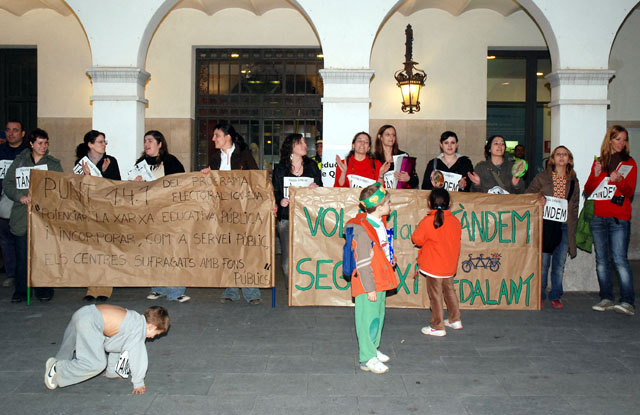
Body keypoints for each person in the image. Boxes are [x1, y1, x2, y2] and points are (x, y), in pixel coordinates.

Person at [44, 304, 169, 395]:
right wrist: (139, 382)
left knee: (69, 346)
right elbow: (138, 359)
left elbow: (116, 346)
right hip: (90, 321)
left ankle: (58, 362)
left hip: (84, 312)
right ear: (152, 326)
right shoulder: (137, 331)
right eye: (156, 334)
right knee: (96, 364)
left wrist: (113, 372)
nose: (153, 337)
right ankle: (57, 368)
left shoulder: (134, 319)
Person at [201, 123, 262, 304]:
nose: (213, 139)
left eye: (216, 135)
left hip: (244, 211)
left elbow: (256, 180)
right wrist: (205, 176)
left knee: (246, 249)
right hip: (223, 211)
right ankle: (231, 288)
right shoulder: (213, 159)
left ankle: (252, 290)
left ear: (227, 137)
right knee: (227, 250)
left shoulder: (244, 156)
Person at [4, 128, 62, 303]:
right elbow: (8, 183)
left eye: (45, 143)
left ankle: (44, 288)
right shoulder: (20, 162)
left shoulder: (52, 164)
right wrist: (19, 196)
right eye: (39, 143)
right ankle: (21, 290)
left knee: (43, 254)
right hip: (23, 216)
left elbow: (60, 187)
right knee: (22, 255)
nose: (43, 146)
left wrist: (47, 199)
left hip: (44, 216)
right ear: (31, 144)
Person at [345, 183, 397, 374]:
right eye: (389, 203)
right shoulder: (363, 231)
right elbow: (363, 263)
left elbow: (382, 248)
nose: (391, 206)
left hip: (380, 278)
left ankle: (373, 348)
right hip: (369, 283)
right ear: (380, 206)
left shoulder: (379, 223)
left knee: (378, 317)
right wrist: (370, 288)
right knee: (367, 320)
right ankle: (367, 357)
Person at [585, 125, 637, 316]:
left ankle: (627, 301)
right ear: (610, 140)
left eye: (624, 139)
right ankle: (606, 297)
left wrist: (619, 181)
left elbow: (629, 192)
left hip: (618, 218)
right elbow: (589, 189)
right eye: (618, 139)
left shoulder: (630, 163)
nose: (621, 143)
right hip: (599, 216)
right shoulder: (600, 162)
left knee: (620, 259)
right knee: (601, 260)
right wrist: (597, 175)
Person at [138, 131, 190, 303]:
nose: (147, 144)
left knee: (173, 252)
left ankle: (176, 291)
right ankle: (157, 288)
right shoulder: (140, 164)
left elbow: (181, 184)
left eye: (150, 141)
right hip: (149, 215)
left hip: (170, 214)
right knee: (155, 252)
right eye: (145, 141)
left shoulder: (171, 162)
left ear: (160, 144)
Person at [527, 146, 579, 309]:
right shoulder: (542, 177)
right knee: (543, 263)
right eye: (558, 154)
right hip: (546, 225)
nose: (561, 157)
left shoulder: (573, 180)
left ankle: (556, 295)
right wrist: (539, 198)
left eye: (565, 155)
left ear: (569, 159)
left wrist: (573, 227)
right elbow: (529, 193)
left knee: (559, 264)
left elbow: (575, 204)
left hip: (564, 226)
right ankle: (540, 295)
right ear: (552, 159)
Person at [75, 130, 121, 302]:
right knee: (91, 250)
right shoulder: (81, 163)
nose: (104, 145)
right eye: (100, 142)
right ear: (90, 144)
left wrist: (103, 173)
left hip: (107, 211)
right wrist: (87, 176)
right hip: (88, 211)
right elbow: (78, 187)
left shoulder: (111, 161)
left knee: (106, 249)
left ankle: (105, 288)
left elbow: (115, 186)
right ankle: (91, 288)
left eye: (104, 142)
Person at [272, 134, 322, 289]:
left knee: (307, 256)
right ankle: (292, 290)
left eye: (305, 142)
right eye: (300, 143)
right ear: (291, 147)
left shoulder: (312, 166)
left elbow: (321, 187)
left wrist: (317, 187)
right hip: (286, 218)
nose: (304, 145)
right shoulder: (280, 168)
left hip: (307, 218)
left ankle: (305, 289)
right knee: (287, 260)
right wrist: (281, 200)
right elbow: (275, 191)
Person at [411, 188, 462, 336]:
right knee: (449, 291)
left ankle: (437, 326)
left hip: (433, 265)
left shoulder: (427, 221)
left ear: (429, 203)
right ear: (450, 203)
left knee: (435, 295)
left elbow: (416, 239)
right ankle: (455, 319)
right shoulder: (455, 221)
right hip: (449, 265)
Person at [0, 120, 28, 288]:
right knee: (6, 240)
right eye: (8, 130)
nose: (11, 133)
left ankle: (23, 274)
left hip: (21, 202)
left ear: (22, 133)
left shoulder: (27, 153)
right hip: (3, 201)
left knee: (22, 240)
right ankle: (11, 273)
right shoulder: (0, 151)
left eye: (15, 130)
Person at [374, 125, 419, 189]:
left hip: (401, 196)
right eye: (388, 135)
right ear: (380, 137)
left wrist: (409, 179)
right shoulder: (374, 158)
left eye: (393, 135)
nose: (391, 137)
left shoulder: (403, 156)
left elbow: (415, 181)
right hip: (382, 196)